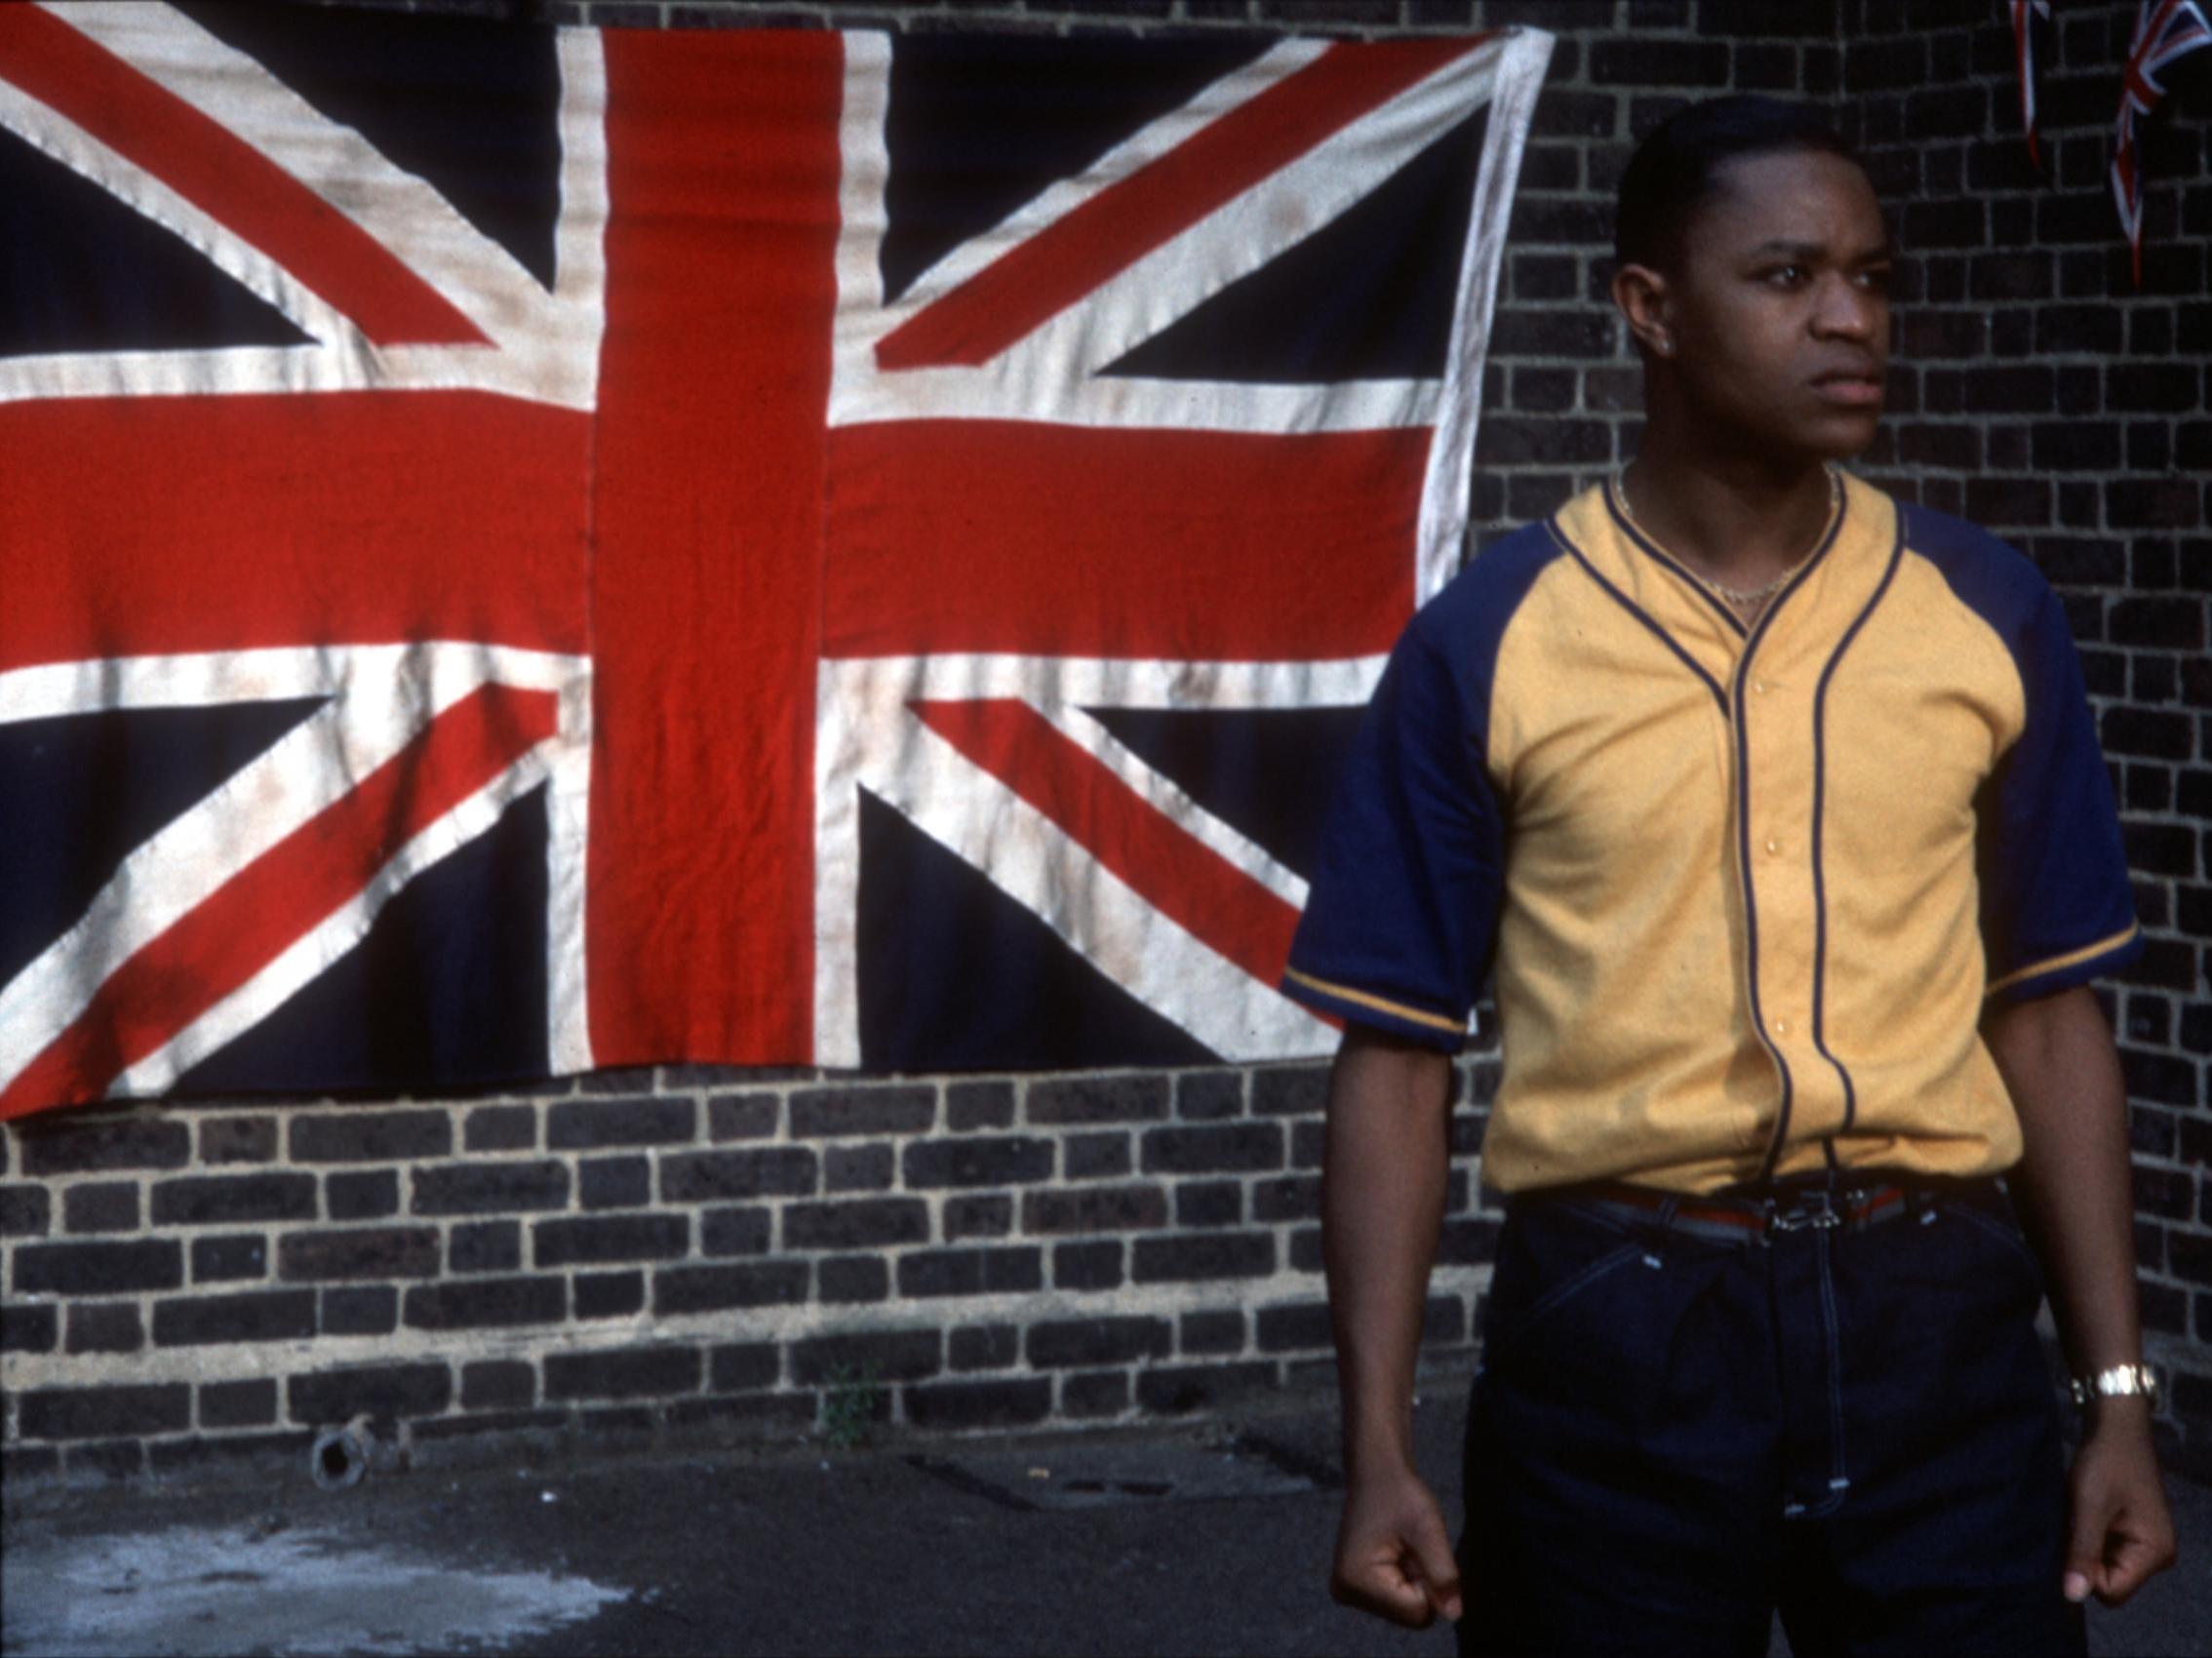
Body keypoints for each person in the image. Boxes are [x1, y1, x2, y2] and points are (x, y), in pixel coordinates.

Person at [1281, 96, 2178, 1656]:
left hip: (1937, 1323)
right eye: (1786, 276)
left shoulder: (1986, 611)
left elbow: (2047, 1020)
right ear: (1649, 309)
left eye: (1873, 278)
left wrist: (2116, 1403)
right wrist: (1376, 1453)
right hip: (1619, 1327)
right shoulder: (1495, 637)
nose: (1852, 318)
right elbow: (1396, 1053)